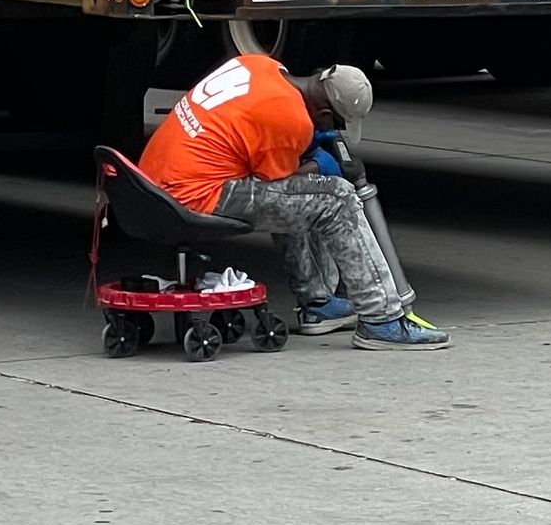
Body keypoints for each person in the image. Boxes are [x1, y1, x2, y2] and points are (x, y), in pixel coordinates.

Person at [138, 51, 449, 349]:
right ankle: (382, 321)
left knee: (305, 196)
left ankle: (319, 303)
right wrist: (323, 165)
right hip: (194, 193)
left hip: (154, 180)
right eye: (335, 124)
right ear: (324, 113)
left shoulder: (260, 65)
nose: (331, 130)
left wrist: (305, 155)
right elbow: (280, 181)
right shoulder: (291, 120)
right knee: (336, 198)